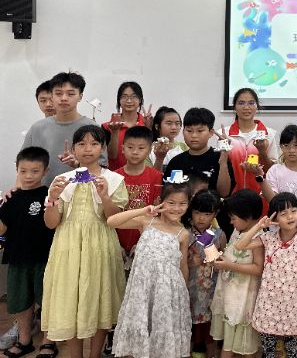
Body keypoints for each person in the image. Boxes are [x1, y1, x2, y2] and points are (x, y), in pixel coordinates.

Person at [41, 125, 129, 358]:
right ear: (73, 149)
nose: (87, 149)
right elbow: (51, 223)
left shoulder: (113, 179)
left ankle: (95, 354)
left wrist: (105, 196)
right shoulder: (62, 180)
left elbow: (114, 220)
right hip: (67, 247)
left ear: (102, 148)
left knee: (99, 298)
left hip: (100, 246)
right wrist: (52, 199)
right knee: (70, 300)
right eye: (81, 144)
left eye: (94, 143)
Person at [108, 182, 191, 358]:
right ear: (161, 201)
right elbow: (112, 221)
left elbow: (182, 265)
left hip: (167, 292)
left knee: (161, 329)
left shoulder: (183, 233)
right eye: (171, 202)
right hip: (141, 290)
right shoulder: (147, 221)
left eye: (182, 203)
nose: (176, 208)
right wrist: (143, 211)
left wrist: (183, 295)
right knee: (139, 325)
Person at [238, 193, 297, 358]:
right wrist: (259, 226)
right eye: (283, 214)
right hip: (268, 306)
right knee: (268, 351)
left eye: (293, 211)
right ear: (275, 218)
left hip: (292, 307)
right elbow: (240, 245)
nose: (290, 216)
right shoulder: (268, 238)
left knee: (293, 351)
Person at [0, 147, 55, 358]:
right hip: (17, 259)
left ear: (45, 170)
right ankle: (25, 341)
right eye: (23, 171)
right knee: (20, 302)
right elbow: (2, 229)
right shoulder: (11, 198)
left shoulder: (50, 195)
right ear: (17, 170)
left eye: (35, 171)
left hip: (45, 260)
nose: (28, 176)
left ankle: (48, 342)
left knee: (48, 302)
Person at [22, 71, 105, 184]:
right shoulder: (37, 128)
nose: (64, 98)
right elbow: (23, 162)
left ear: (80, 96)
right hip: (45, 192)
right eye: (58, 93)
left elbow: (102, 167)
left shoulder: (92, 128)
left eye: (70, 94)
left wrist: (78, 164)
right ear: (52, 96)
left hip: (82, 192)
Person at [210, 190, 265, 358]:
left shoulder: (259, 237)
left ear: (247, 216)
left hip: (245, 296)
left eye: (233, 218)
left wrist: (230, 265)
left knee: (245, 343)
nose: (231, 221)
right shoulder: (237, 231)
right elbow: (233, 254)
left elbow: (258, 268)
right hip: (230, 294)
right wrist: (220, 259)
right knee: (229, 340)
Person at [184, 190, 226, 358]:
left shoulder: (219, 235)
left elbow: (225, 260)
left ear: (215, 214)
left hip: (211, 290)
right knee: (187, 328)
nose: (201, 218)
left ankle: (211, 355)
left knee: (210, 331)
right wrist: (189, 262)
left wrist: (219, 260)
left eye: (207, 214)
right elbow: (174, 262)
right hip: (188, 288)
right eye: (197, 213)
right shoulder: (184, 233)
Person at [115, 125, 163, 262]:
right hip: (117, 239)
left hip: (145, 240)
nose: (135, 152)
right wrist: (115, 243)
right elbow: (109, 214)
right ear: (122, 148)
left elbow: (158, 213)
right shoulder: (114, 177)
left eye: (141, 148)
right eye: (130, 147)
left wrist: (144, 241)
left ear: (149, 150)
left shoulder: (156, 177)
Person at [164, 108, 233, 198]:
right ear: (183, 132)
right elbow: (167, 194)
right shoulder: (176, 161)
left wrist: (223, 160)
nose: (194, 135)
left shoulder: (219, 157)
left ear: (211, 132)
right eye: (189, 131)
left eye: (200, 131)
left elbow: (224, 193)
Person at [226, 88, 279, 191]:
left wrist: (262, 152)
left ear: (256, 106)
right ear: (234, 107)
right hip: (232, 195)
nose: (246, 107)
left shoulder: (269, 134)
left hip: (260, 195)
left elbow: (272, 171)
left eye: (251, 103)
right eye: (241, 103)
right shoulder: (224, 135)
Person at [103, 81, 153, 171]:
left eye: (134, 97)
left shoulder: (147, 123)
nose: (129, 101)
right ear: (119, 100)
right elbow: (111, 156)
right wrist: (114, 131)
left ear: (140, 100)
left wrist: (148, 128)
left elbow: (151, 154)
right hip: (115, 176)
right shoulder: (108, 126)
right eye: (124, 97)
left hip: (141, 176)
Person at [148, 107, 187, 172]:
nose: (174, 127)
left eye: (177, 123)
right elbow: (148, 174)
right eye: (169, 123)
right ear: (157, 126)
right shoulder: (148, 149)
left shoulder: (184, 147)